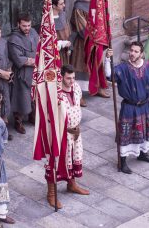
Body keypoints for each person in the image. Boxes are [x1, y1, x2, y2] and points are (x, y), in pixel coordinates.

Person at [105, 42, 149, 174]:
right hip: (129, 107)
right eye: (131, 50)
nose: (132, 53)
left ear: (141, 54)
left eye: (135, 51)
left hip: (145, 105)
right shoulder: (123, 68)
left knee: (144, 131)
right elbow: (109, 75)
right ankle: (122, 162)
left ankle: (142, 154)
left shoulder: (148, 66)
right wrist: (107, 58)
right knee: (126, 133)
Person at [44, 64, 90, 209]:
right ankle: (51, 194)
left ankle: (72, 184)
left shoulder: (76, 87)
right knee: (55, 162)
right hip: (60, 134)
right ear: (61, 77)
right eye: (68, 78)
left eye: (73, 78)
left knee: (74, 157)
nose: (71, 81)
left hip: (76, 132)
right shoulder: (55, 94)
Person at [70, 0, 109, 104]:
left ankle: (97, 88)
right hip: (83, 42)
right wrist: (94, 36)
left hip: (97, 41)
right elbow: (82, 27)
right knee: (81, 67)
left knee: (97, 64)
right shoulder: (79, 7)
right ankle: (78, 94)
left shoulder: (97, 3)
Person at [8, 13, 39, 134]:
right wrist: (36, 60)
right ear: (18, 24)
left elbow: (39, 46)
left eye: (29, 25)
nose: (27, 28)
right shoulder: (13, 39)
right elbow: (18, 59)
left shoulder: (33, 32)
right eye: (24, 25)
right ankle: (18, 122)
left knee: (34, 96)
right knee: (21, 97)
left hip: (35, 72)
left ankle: (32, 116)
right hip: (22, 73)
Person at [52, 0, 72, 66]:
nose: (64, 5)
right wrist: (61, 43)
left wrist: (69, 46)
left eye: (64, 3)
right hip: (55, 55)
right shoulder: (48, 21)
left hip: (66, 52)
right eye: (61, 4)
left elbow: (68, 32)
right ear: (54, 6)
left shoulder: (63, 14)